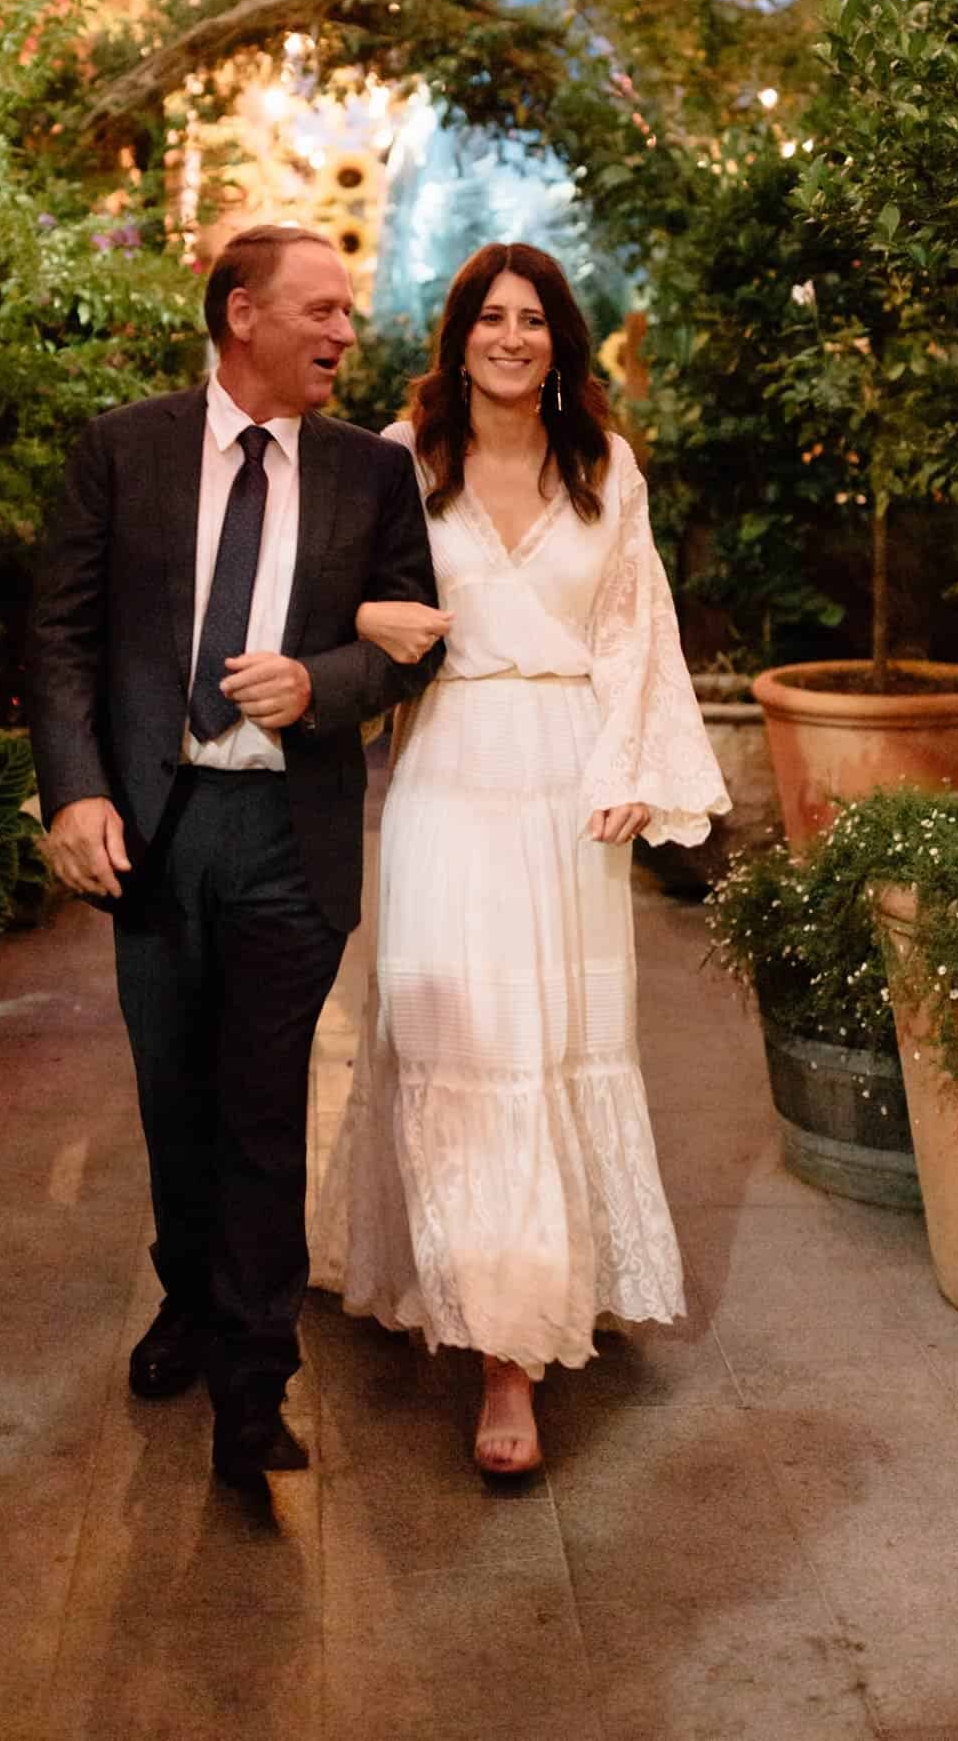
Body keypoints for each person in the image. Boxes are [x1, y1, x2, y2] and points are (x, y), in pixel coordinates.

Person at [25, 224, 447, 1490]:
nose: (341, 334)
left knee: (264, 1105)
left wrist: (315, 683)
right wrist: (74, 793)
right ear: (241, 313)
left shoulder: (373, 473)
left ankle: (255, 1382)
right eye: (319, 310)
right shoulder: (123, 449)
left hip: (287, 836)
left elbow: (414, 636)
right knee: (176, 1098)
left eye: (348, 316)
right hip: (156, 832)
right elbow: (58, 640)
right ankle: (190, 1302)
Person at [311, 242, 730, 1477]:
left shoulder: (607, 466)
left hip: (568, 780)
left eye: (533, 318)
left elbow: (638, 634)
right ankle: (462, 1278)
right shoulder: (403, 458)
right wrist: (362, 621)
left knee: (550, 1047)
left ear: (563, 339)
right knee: (458, 1039)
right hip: (447, 768)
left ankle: (513, 1358)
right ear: (457, 337)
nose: (511, 336)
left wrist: (629, 770)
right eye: (489, 317)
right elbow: (325, 598)